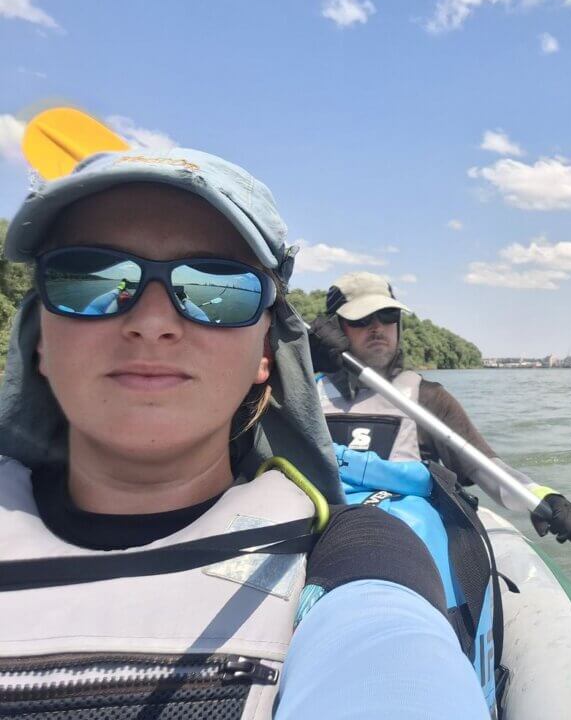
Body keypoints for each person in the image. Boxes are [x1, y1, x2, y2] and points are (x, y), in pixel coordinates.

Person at [0, 148, 489, 719]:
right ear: (38, 338)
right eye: (90, 280)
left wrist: (544, 499)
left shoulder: (358, 543)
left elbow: (387, 649)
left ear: (265, 352)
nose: (152, 323)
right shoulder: (323, 390)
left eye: (217, 288)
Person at [308, 271, 571, 545]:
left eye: (387, 316)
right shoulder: (305, 392)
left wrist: (542, 497)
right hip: (319, 527)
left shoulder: (428, 397)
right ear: (335, 327)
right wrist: (301, 362)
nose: (377, 327)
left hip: (402, 536)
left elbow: (483, 466)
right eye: (362, 319)